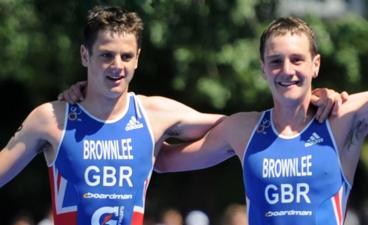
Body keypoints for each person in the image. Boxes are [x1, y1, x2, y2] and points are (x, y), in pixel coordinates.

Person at [0, 5, 343, 225]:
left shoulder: (155, 114)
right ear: (85, 56)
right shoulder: (51, 118)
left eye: (125, 56)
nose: (116, 66)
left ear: (137, 59)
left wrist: (313, 97)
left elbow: (245, 127)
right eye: (106, 55)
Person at [153, 17, 368, 225]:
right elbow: (163, 160)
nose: (287, 70)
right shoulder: (243, 129)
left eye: (297, 59)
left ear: (315, 65)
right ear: (263, 69)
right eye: (275, 61)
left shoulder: (340, 119)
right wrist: (141, 109)